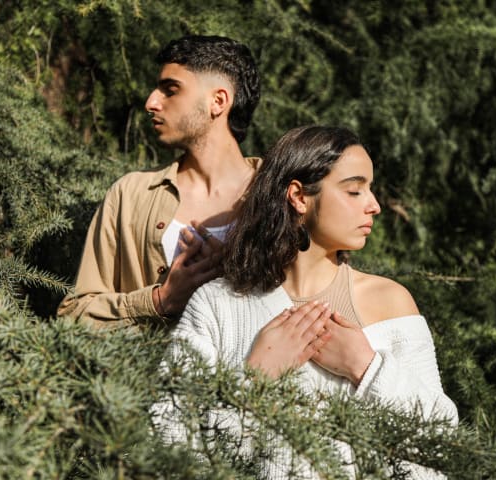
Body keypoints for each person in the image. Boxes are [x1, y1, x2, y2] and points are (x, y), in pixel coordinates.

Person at [158, 125, 458, 477]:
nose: (374, 205)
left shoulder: (389, 302)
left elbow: (442, 441)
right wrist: (255, 378)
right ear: (299, 197)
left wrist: (367, 368)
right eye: (354, 190)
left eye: (370, 189)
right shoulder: (218, 305)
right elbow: (167, 440)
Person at [57, 35, 261, 329]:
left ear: (218, 101)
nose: (151, 103)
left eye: (171, 90)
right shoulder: (130, 194)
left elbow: (313, 308)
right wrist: (160, 300)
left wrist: (234, 281)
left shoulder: (283, 197)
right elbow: (75, 315)